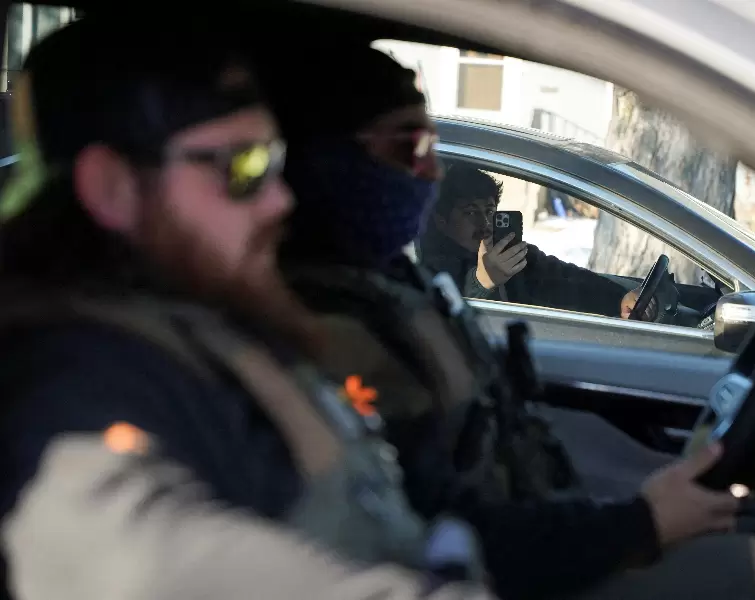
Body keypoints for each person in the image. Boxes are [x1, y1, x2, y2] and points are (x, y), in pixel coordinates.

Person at [267, 41, 755, 600]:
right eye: (410, 146)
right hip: (504, 563)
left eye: (432, 146)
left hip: (541, 506)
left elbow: (566, 282)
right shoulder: (328, 326)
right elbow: (447, 526)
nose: (429, 169)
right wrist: (640, 524)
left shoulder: (394, 281)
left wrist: (621, 300)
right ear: (325, 161)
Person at [0, 17, 495, 600]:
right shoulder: (76, 375)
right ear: (114, 187)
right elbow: (136, 559)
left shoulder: (213, 326)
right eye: (244, 167)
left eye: (275, 160)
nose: (281, 199)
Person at [422, 164, 652, 319]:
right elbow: (447, 323)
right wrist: (482, 282)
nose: (484, 222)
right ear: (441, 221)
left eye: (490, 211)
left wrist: (619, 298)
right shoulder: (428, 268)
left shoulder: (513, 254)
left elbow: (566, 279)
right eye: (471, 212)